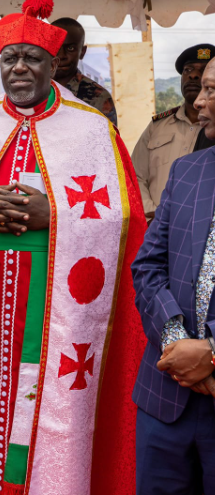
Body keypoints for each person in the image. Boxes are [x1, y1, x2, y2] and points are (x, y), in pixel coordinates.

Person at [0, 0, 146, 494]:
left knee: (46, 392)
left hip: (52, 295)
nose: (19, 68)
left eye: (33, 59)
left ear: (54, 65)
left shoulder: (91, 128)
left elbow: (126, 217)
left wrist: (56, 212)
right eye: (9, 59)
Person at [131, 58, 215, 495]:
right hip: (166, 397)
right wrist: (176, 341)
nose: (199, 102)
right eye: (200, 88)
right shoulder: (188, 171)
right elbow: (147, 266)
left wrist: (212, 351)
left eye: (212, 91)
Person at [131, 43, 214, 221]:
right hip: (153, 226)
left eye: (202, 70)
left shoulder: (212, 129)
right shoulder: (157, 126)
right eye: (187, 70)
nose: (193, 75)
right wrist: (154, 215)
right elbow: (135, 175)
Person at [51, 17, 118, 125]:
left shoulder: (98, 97)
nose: (61, 55)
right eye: (55, 47)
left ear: (82, 52)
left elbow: (108, 140)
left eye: (70, 48)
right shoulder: (34, 91)